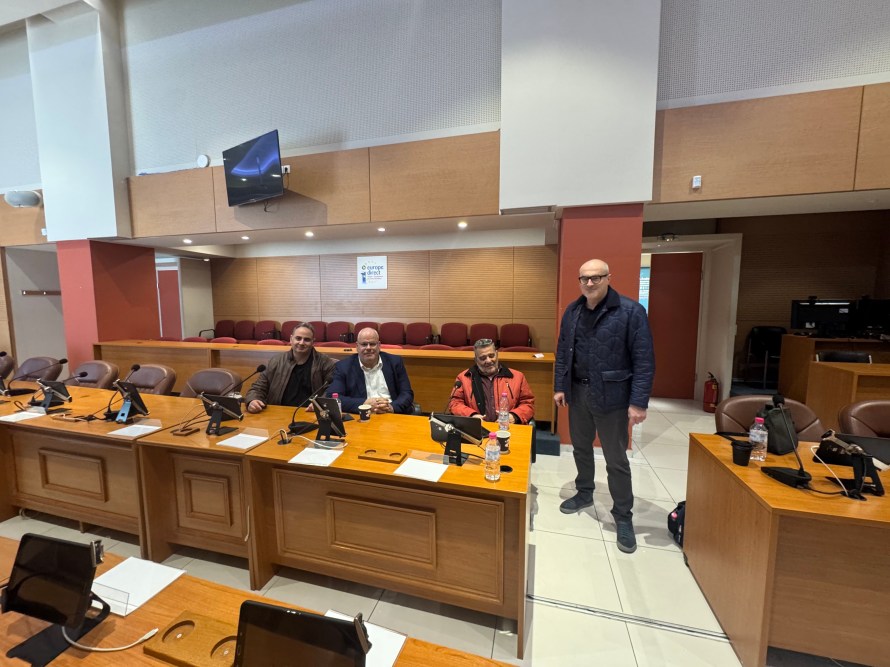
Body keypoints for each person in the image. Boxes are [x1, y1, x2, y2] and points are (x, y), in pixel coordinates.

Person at [553, 259, 655, 554]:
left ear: (609, 278)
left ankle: (623, 515)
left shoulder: (631, 312)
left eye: (596, 278)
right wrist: (560, 386)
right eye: (584, 278)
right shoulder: (572, 311)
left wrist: (638, 402)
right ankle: (584, 491)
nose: (589, 283)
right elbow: (563, 353)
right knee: (581, 448)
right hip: (578, 392)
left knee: (615, 459)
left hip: (613, 396)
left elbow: (644, 360)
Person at [245, 322, 336, 413]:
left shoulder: (325, 363)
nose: (301, 343)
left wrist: (321, 402)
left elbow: (332, 390)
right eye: (298, 338)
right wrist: (252, 400)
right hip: (278, 412)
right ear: (291, 339)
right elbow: (258, 387)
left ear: (313, 342)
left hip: (310, 413)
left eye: (307, 339)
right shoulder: (276, 361)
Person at [327, 328, 415, 414]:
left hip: (391, 414)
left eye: (372, 344)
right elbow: (333, 397)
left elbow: (406, 393)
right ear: (357, 346)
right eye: (364, 344)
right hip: (363, 416)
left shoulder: (395, 362)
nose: (368, 348)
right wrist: (364, 404)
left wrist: (392, 407)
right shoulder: (343, 367)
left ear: (379, 345)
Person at [448, 338, 535, 424]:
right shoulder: (463, 378)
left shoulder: (517, 377)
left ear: (497, 354)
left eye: (491, 356)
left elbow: (528, 404)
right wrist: (472, 416)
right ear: (476, 360)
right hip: (476, 429)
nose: (488, 361)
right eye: (483, 358)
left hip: (508, 428)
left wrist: (514, 416)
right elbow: (455, 403)